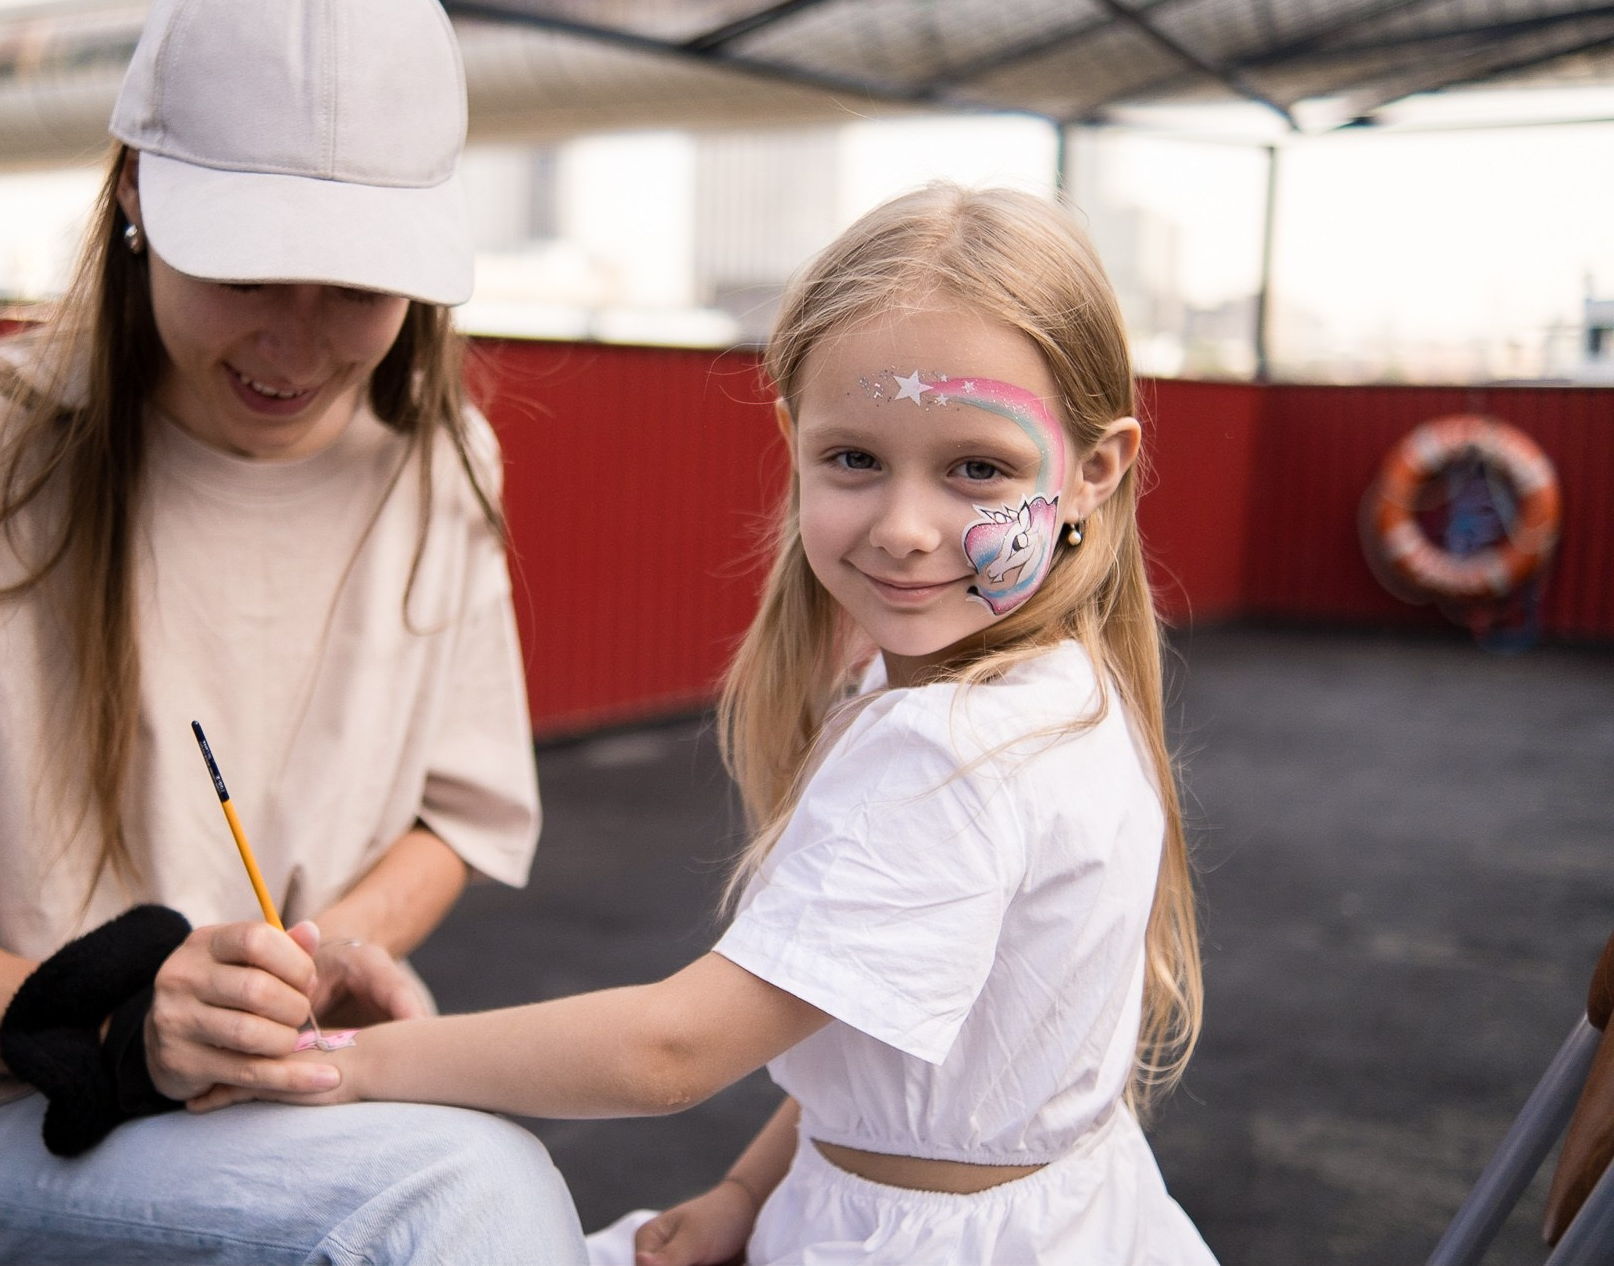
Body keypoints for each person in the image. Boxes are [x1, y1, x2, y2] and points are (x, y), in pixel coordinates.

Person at [0, 0, 586, 1263]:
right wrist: (120, 1024)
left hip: (281, 1100)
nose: (296, 343)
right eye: (245, 267)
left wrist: (295, 969)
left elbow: (452, 815)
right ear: (133, 196)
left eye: (361, 286)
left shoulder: (443, 464)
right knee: (465, 1195)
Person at [237, 184, 1219, 1265]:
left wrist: (352, 1063)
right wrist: (748, 1189)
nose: (903, 527)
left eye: (977, 468)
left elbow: (671, 1049)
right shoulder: (1062, 694)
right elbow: (880, 1012)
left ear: (1093, 471)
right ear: (794, 441)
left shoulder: (948, 752)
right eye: (855, 459)